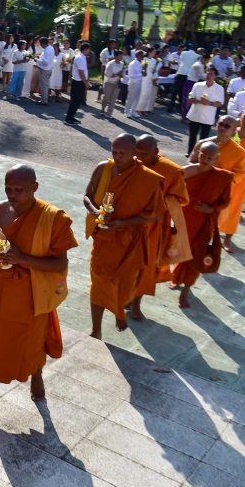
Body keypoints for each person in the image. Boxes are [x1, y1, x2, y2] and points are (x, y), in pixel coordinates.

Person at [0, 166, 76, 413]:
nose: (12, 194)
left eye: (19, 190)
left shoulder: (52, 217)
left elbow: (60, 262)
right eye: (8, 189)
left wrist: (21, 258)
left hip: (32, 292)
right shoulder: (0, 209)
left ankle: (36, 375)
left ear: (34, 187)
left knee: (30, 341)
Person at [83, 134, 165, 338]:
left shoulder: (147, 178)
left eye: (122, 153)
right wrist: (97, 212)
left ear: (135, 153)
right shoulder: (103, 169)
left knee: (127, 285)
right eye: (114, 152)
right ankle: (96, 329)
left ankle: (120, 311)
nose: (117, 156)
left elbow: (153, 214)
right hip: (104, 239)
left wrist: (123, 223)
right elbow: (87, 196)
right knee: (99, 284)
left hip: (130, 241)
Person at [129, 135, 190, 320]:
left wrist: (158, 201)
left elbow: (181, 199)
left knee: (145, 267)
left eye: (144, 154)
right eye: (137, 153)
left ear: (156, 152)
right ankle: (125, 295)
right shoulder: (130, 163)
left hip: (154, 226)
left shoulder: (171, 171)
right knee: (125, 263)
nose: (139, 158)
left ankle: (136, 303)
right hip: (128, 222)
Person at [169, 142, 232, 309]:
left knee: (196, 254)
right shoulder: (187, 171)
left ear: (216, 158)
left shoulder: (222, 177)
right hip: (184, 218)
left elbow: (225, 202)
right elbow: (171, 190)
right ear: (198, 153)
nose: (206, 160)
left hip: (204, 222)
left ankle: (185, 293)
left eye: (210, 158)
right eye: (203, 155)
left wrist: (210, 209)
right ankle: (177, 277)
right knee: (181, 251)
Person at [188, 118, 245, 252]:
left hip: (216, 194)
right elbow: (189, 163)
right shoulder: (203, 143)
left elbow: (240, 175)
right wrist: (203, 167)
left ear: (233, 131)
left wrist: (218, 171)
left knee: (208, 227)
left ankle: (199, 254)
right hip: (196, 191)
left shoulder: (238, 151)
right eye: (221, 124)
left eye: (227, 126)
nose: (223, 128)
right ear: (216, 125)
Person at [214, 109, 245, 251]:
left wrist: (239, 158)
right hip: (219, 175)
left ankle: (227, 240)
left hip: (241, 178)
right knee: (215, 206)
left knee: (234, 209)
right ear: (240, 117)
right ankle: (211, 233)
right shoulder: (229, 129)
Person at [186, 67, 225, 154]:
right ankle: (190, 152)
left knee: (204, 138)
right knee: (192, 135)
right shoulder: (198, 85)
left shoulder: (219, 88)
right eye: (207, 73)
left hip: (208, 117)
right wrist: (199, 101)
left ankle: (200, 153)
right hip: (195, 114)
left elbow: (220, 103)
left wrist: (210, 103)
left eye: (211, 74)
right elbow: (190, 98)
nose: (208, 75)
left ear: (215, 76)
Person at [65, 42, 91, 125]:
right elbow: (81, 72)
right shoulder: (80, 58)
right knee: (75, 101)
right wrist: (86, 83)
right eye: (89, 49)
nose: (89, 51)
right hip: (78, 82)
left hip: (79, 82)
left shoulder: (81, 57)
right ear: (86, 49)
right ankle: (68, 118)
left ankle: (72, 117)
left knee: (77, 100)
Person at [169, 44, 199, 114]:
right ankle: (180, 108)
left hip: (181, 72)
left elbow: (180, 62)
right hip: (188, 74)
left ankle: (171, 106)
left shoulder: (184, 53)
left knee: (175, 90)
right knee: (183, 92)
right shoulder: (197, 56)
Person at [99, 51, 125, 118]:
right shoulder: (110, 64)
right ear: (116, 56)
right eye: (120, 56)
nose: (121, 57)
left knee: (113, 99)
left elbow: (123, 73)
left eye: (122, 56)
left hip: (116, 83)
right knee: (106, 98)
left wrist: (122, 75)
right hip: (108, 82)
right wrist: (117, 74)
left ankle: (109, 113)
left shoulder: (122, 64)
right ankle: (102, 110)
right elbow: (107, 74)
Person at [137, 47, 160, 115]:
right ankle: (139, 109)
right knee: (143, 94)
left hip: (150, 77)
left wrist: (155, 78)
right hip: (145, 78)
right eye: (154, 52)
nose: (155, 53)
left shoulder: (154, 60)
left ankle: (144, 109)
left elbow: (154, 70)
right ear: (149, 52)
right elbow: (142, 68)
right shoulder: (144, 59)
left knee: (148, 94)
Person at [124, 49, 145, 118]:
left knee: (137, 98)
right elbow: (131, 75)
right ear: (138, 56)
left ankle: (133, 110)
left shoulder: (142, 63)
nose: (143, 58)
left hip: (140, 82)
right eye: (141, 56)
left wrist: (144, 73)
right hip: (133, 82)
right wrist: (140, 74)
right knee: (131, 98)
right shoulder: (132, 64)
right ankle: (127, 111)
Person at [36, 37, 55, 105]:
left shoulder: (47, 50)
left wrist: (37, 60)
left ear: (43, 43)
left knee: (43, 85)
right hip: (49, 69)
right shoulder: (50, 48)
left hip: (44, 69)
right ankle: (44, 99)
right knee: (46, 85)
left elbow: (45, 61)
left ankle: (43, 100)